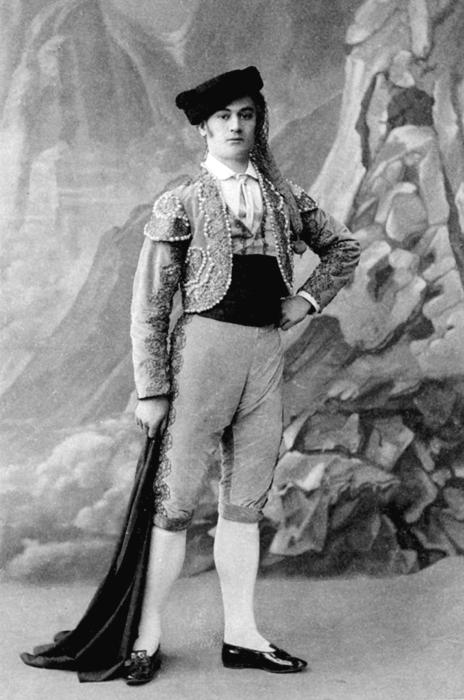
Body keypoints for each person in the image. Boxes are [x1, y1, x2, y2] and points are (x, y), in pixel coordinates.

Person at [20, 66, 360, 685]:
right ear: (204, 129)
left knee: (245, 502)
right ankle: (145, 637)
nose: (235, 126)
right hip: (201, 356)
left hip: (265, 358)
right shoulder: (179, 201)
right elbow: (150, 303)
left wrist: (308, 299)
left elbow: (343, 248)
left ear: (259, 123)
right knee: (174, 505)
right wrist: (152, 388)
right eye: (223, 117)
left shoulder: (285, 197)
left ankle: (242, 635)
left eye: (246, 115)